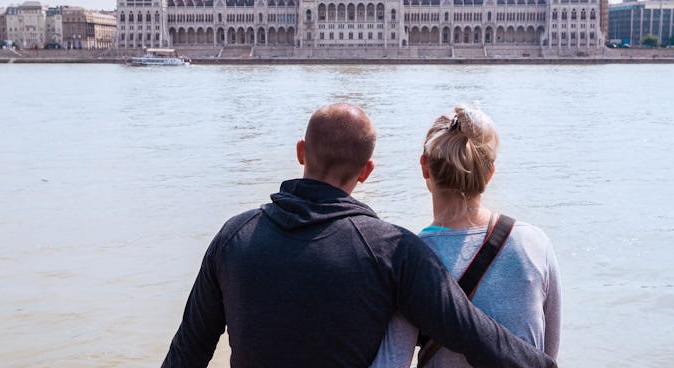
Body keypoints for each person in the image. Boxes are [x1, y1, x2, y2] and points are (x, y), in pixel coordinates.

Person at [160, 103, 556, 368]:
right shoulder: (393, 251)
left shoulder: (233, 238)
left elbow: (187, 352)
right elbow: (473, 333)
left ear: (301, 152)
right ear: (367, 171)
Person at [371, 105, 561, 367]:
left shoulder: (407, 257)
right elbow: (546, 356)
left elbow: (392, 362)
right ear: (490, 172)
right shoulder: (534, 243)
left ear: (425, 167)